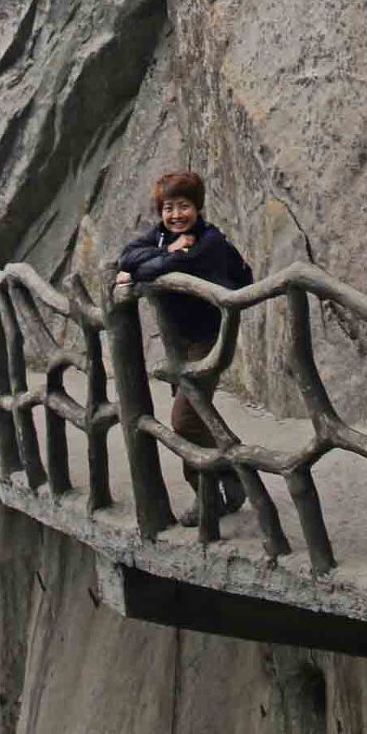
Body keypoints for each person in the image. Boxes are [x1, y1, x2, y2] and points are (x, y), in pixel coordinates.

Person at [114, 170, 252, 522]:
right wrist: (156, 258)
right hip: (179, 341)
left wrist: (147, 267)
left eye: (184, 206)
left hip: (208, 338)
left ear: (198, 207)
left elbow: (179, 264)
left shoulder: (210, 241)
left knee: (185, 419)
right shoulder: (162, 237)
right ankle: (232, 474)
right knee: (199, 414)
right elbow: (128, 256)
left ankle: (210, 493)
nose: (176, 215)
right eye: (169, 208)